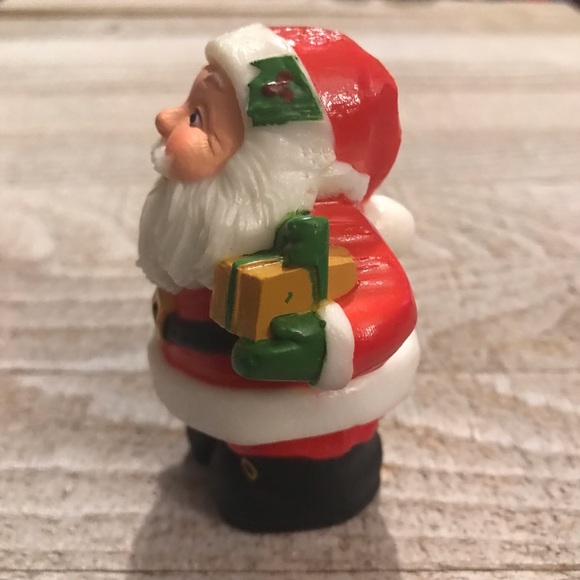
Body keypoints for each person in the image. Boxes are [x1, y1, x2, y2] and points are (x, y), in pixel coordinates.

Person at [137, 24, 419, 533]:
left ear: (264, 158)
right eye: (187, 106)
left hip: (293, 430)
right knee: (209, 449)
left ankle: (307, 487)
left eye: (198, 117)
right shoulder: (208, 220)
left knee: (259, 495)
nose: (165, 119)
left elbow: (386, 302)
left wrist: (326, 343)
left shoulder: (323, 230)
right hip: (209, 389)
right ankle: (215, 441)